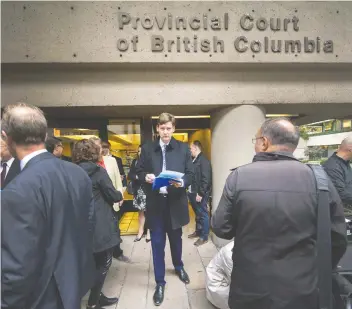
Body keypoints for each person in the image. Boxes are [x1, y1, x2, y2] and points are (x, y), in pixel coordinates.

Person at [212, 117, 347, 309]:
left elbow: (221, 228)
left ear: (265, 142)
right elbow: (338, 238)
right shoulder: (319, 180)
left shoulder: (239, 177)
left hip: (249, 287)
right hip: (302, 290)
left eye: (256, 140)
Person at [1, 103, 95, 309]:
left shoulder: (16, 190)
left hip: (41, 297)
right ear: (44, 134)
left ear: (6, 137)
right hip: (73, 284)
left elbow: (18, 266)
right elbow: (87, 227)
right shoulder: (78, 173)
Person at [136, 112, 194, 306]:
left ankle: (179, 266)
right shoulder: (147, 149)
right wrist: (145, 177)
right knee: (157, 245)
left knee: (176, 242)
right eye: (162, 128)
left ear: (173, 129)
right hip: (156, 205)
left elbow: (190, 173)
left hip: (175, 203)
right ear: (157, 129)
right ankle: (160, 282)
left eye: (169, 128)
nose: (165, 132)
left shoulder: (183, 149)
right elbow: (139, 171)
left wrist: (182, 182)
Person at [72, 139, 123, 309]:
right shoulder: (98, 171)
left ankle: (95, 296)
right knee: (104, 263)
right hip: (99, 225)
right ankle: (93, 301)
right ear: (93, 153)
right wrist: (119, 194)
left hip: (80, 225)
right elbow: (112, 195)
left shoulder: (72, 171)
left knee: (90, 262)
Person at [90, 137, 131, 263]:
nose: (98, 149)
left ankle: (117, 252)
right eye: (95, 147)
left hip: (112, 200)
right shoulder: (88, 164)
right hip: (97, 204)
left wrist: (120, 195)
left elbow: (118, 181)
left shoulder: (111, 160)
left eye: (99, 146)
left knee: (115, 228)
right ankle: (102, 256)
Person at [188, 140, 212, 246]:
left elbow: (206, 179)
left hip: (199, 193)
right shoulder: (195, 160)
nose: (190, 150)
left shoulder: (204, 161)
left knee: (203, 214)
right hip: (193, 192)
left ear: (196, 148)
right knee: (198, 214)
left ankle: (204, 236)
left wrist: (201, 193)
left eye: (191, 148)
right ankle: (198, 232)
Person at [323, 135, 352, 216]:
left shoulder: (345, 163)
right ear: (350, 149)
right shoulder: (332, 167)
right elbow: (340, 194)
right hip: (342, 215)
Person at [128, 145, 150, 242]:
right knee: (140, 213)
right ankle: (140, 231)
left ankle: (149, 232)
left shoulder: (150, 162)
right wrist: (138, 177)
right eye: (139, 151)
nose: (140, 153)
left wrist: (144, 177)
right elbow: (130, 174)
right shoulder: (135, 161)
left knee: (149, 212)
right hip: (138, 190)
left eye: (142, 151)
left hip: (148, 190)